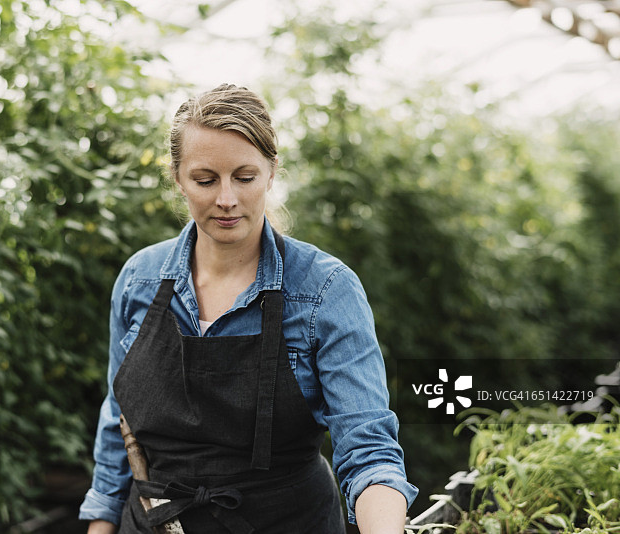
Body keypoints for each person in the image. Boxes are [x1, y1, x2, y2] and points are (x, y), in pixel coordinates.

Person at [80, 84, 417, 534]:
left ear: (272, 172)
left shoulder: (324, 290)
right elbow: (117, 422)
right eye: (205, 180)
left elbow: (369, 448)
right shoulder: (139, 280)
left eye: (244, 177)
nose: (226, 199)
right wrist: (100, 525)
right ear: (177, 177)